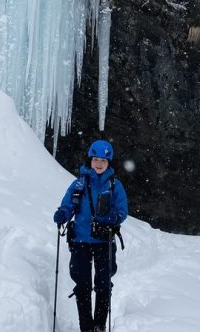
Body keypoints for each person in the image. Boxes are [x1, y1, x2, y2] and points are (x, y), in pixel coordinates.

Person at [53, 139, 128, 332]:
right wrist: (63, 213)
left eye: (103, 160)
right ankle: (85, 326)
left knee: (103, 284)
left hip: (104, 240)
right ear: (90, 159)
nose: (99, 163)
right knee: (82, 283)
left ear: (109, 162)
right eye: (96, 159)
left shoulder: (114, 185)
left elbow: (122, 210)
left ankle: (99, 325)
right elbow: (68, 203)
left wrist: (114, 217)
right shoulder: (79, 183)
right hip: (80, 240)